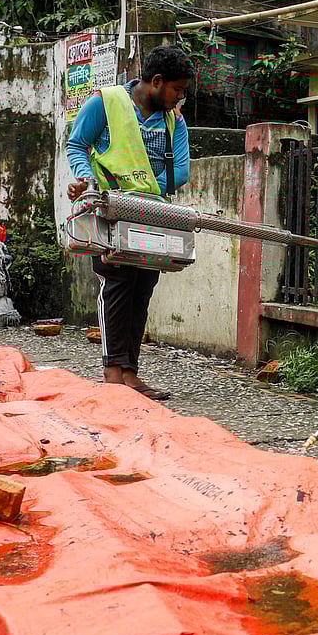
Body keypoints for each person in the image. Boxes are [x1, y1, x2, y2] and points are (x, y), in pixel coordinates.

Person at [66, 45, 193, 401]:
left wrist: (141, 190)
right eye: (177, 89)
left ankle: (130, 373)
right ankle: (113, 374)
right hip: (110, 212)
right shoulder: (105, 103)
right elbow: (77, 145)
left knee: (142, 287)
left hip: (152, 215)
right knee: (116, 284)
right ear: (157, 81)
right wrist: (87, 179)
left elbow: (180, 171)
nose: (180, 98)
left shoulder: (175, 121)